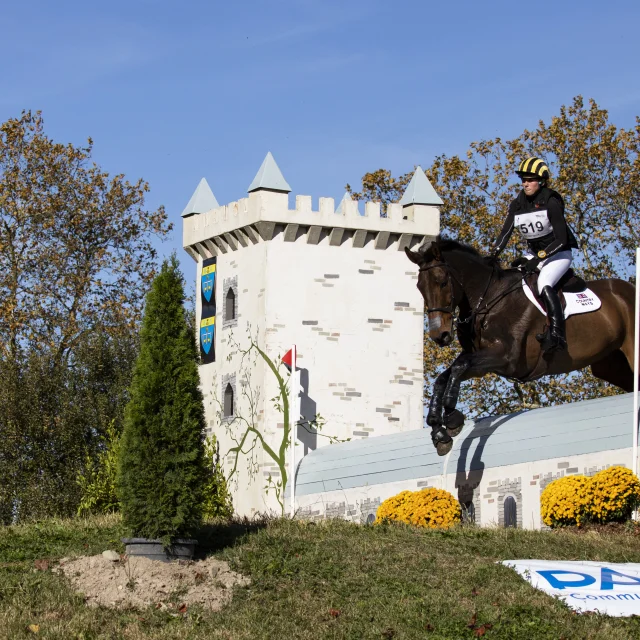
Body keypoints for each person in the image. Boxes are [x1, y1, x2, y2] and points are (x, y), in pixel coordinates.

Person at [490, 157, 579, 354]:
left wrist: (539, 259)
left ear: (541, 181)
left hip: (559, 253)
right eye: (523, 179)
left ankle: (557, 334)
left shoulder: (551, 201)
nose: (525, 183)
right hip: (535, 254)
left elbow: (562, 239)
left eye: (530, 180)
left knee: (544, 283)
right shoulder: (518, 203)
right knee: (513, 281)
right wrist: (494, 254)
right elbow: (506, 232)